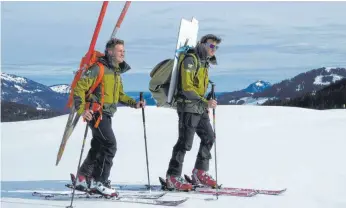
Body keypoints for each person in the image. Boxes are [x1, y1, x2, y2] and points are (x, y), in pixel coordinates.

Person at [72, 38, 146, 197]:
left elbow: (119, 95)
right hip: (97, 114)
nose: (123, 53)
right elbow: (79, 88)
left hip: (107, 114)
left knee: (98, 146)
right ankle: (100, 181)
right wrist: (82, 109)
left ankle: (83, 177)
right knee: (110, 145)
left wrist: (135, 104)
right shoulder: (98, 69)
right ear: (110, 51)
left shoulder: (116, 72)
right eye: (120, 51)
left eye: (123, 51)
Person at [166, 34, 221, 191]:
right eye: (211, 46)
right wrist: (205, 102)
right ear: (202, 44)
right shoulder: (191, 60)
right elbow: (187, 88)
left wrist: (206, 100)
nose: (214, 50)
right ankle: (172, 176)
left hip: (199, 107)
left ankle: (200, 172)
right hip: (188, 107)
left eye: (216, 47)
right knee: (184, 143)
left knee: (209, 137)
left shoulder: (204, 63)